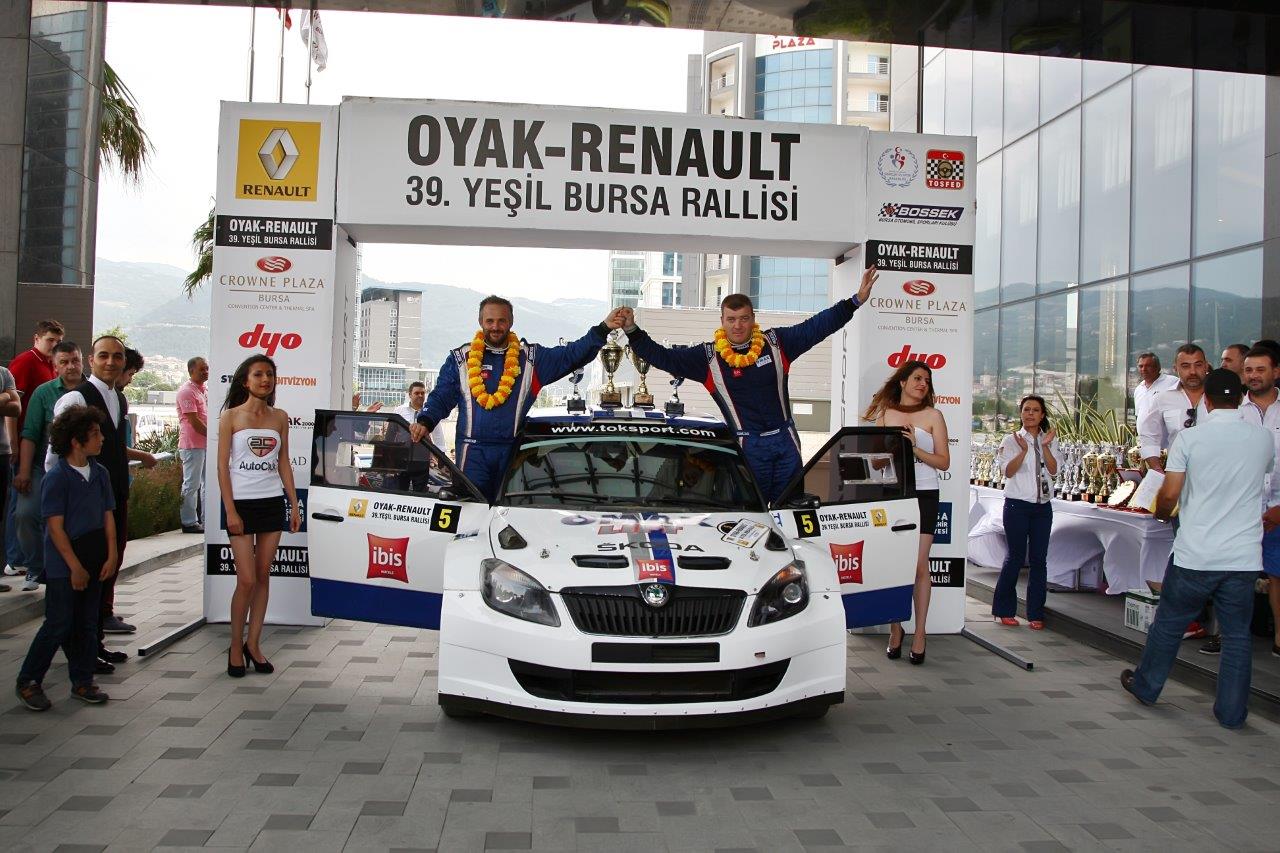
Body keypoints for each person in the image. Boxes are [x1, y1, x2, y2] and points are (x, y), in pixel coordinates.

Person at [621, 267, 880, 503]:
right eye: (731, 319)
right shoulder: (708, 358)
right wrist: (632, 330)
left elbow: (817, 326)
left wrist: (855, 301)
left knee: (790, 510)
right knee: (750, 512)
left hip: (785, 440)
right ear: (722, 321)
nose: (738, 325)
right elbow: (663, 357)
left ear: (753, 318)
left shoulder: (776, 343)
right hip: (747, 445)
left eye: (744, 318)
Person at [1121, 369, 1273, 729]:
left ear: (1206, 400)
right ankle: (1231, 713)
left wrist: (1161, 512)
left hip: (1195, 553)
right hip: (1243, 556)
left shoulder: (1189, 439)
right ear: (1241, 399)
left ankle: (1147, 686)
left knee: (1169, 625)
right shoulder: (1263, 438)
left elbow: (1171, 493)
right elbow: (1263, 472)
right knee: (1237, 636)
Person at [411, 296, 625, 501]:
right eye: (490, 321)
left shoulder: (531, 359)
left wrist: (603, 328)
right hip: (472, 452)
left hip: (512, 452)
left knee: (512, 511)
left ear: (511, 322)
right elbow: (441, 397)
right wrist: (425, 421)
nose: (495, 327)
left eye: (501, 321)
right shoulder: (461, 359)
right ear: (480, 322)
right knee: (473, 510)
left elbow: (572, 354)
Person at [47, 336, 156, 668]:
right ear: (91, 360)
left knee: (105, 570)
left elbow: (112, 447)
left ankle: (94, 644)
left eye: (117, 356)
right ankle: (79, 652)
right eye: (104, 355)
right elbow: (56, 453)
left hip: (112, 496)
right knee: (81, 578)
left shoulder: (118, 398)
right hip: (81, 505)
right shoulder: (76, 398)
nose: (111, 362)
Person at [14, 405, 116, 710]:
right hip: (64, 566)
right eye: (94, 434)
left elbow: (108, 516)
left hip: (94, 557)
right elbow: (55, 529)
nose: (101, 439)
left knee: (87, 623)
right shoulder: (57, 477)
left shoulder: (100, 473)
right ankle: (29, 681)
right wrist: (74, 567)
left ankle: (83, 680)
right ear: (75, 440)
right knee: (58, 623)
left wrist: (111, 555)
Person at [217, 355, 300, 678]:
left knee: (263, 576)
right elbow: (222, 467)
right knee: (247, 580)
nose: (265, 379)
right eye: (258, 374)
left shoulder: (280, 417)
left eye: (269, 374)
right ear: (245, 380)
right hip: (240, 505)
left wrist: (293, 504)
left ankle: (253, 644)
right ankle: (234, 646)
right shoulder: (230, 417)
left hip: (271, 503)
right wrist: (230, 510)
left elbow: (283, 462)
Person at [862, 360, 949, 664]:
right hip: (893, 496)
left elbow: (943, 462)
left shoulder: (934, 415)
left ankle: (920, 633)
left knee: (919, 565)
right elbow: (875, 463)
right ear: (902, 382)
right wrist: (890, 450)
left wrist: (913, 448)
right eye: (917, 378)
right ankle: (895, 628)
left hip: (925, 494)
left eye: (927, 380)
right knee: (895, 564)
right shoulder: (886, 415)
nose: (923, 384)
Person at [13, 342, 83, 595]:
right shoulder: (43, 393)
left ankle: (66, 571)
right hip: (42, 468)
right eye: (64, 362)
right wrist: (23, 471)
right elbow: (30, 434)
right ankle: (35, 566)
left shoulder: (90, 391)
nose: (70, 366)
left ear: (82, 361)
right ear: (55, 366)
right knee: (25, 514)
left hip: (79, 471)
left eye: (74, 361)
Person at [991, 395, 1059, 630]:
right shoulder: (1011, 440)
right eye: (1026, 409)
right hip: (1017, 506)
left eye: (1035, 410)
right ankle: (1004, 609)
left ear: (1042, 415)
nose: (1030, 414)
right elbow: (1007, 472)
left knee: (1039, 560)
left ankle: (1035, 613)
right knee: (1016, 557)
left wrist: (1045, 446)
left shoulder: (1049, 439)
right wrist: (1022, 451)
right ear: (1021, 413)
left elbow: (1054, 470)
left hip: (1042, 508)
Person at [4, 320, 63, 583]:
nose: (54, 345)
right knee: (20, 505)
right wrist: (14, 443)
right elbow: (12, 405)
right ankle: (15, 558)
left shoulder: (51, 365)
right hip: (24, 443)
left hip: (44, 445)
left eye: (58, 341)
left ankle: (24, 558)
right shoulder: (26, 362)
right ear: (36, 338)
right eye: (50, 340)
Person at [1240, 347, 1280, 659]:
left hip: (1279, 507)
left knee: (1277, 575)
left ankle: (1279, 637)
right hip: (1242, 509)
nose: (1253, 376)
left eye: (1260, 369)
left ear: (1276, 372)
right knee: (1236, 575)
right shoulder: (1234, 411)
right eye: (1249, 370)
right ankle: (1229, 635)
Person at [176, 357, 209, 534]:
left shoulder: (204, 390)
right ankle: (188, 522)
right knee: (191, 484)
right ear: (191, 371)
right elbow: (194, 422)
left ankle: (206, 520)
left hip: (205, 445)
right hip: (192, 445)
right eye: (202, 369)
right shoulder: (186, 391)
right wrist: (214, 437)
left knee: (207, 484)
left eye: (207, 368)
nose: (206, 372)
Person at [0, 366, 18, 592]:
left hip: (2, 453)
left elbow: (16, 408)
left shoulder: (4, 373)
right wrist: (4, 395)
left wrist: (8, 397)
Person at [1132, 351, 1179, 430]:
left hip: (1170, 437)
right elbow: (1138, 416)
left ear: (1158, 367)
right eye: (1141, 366)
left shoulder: (1173, 382)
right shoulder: (1138, 389)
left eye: (1148, 366)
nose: (1144, 369)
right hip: (1144, 437)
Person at [392, 381, 444, 448]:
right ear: (410, 395)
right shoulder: (399, 411)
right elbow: (392, 433)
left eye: (422, 393)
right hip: (403, 450)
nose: (420, 395)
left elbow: (438, 436)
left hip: (424, 451)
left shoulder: (430, 412)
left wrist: (441, 451)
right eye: (417, 393)